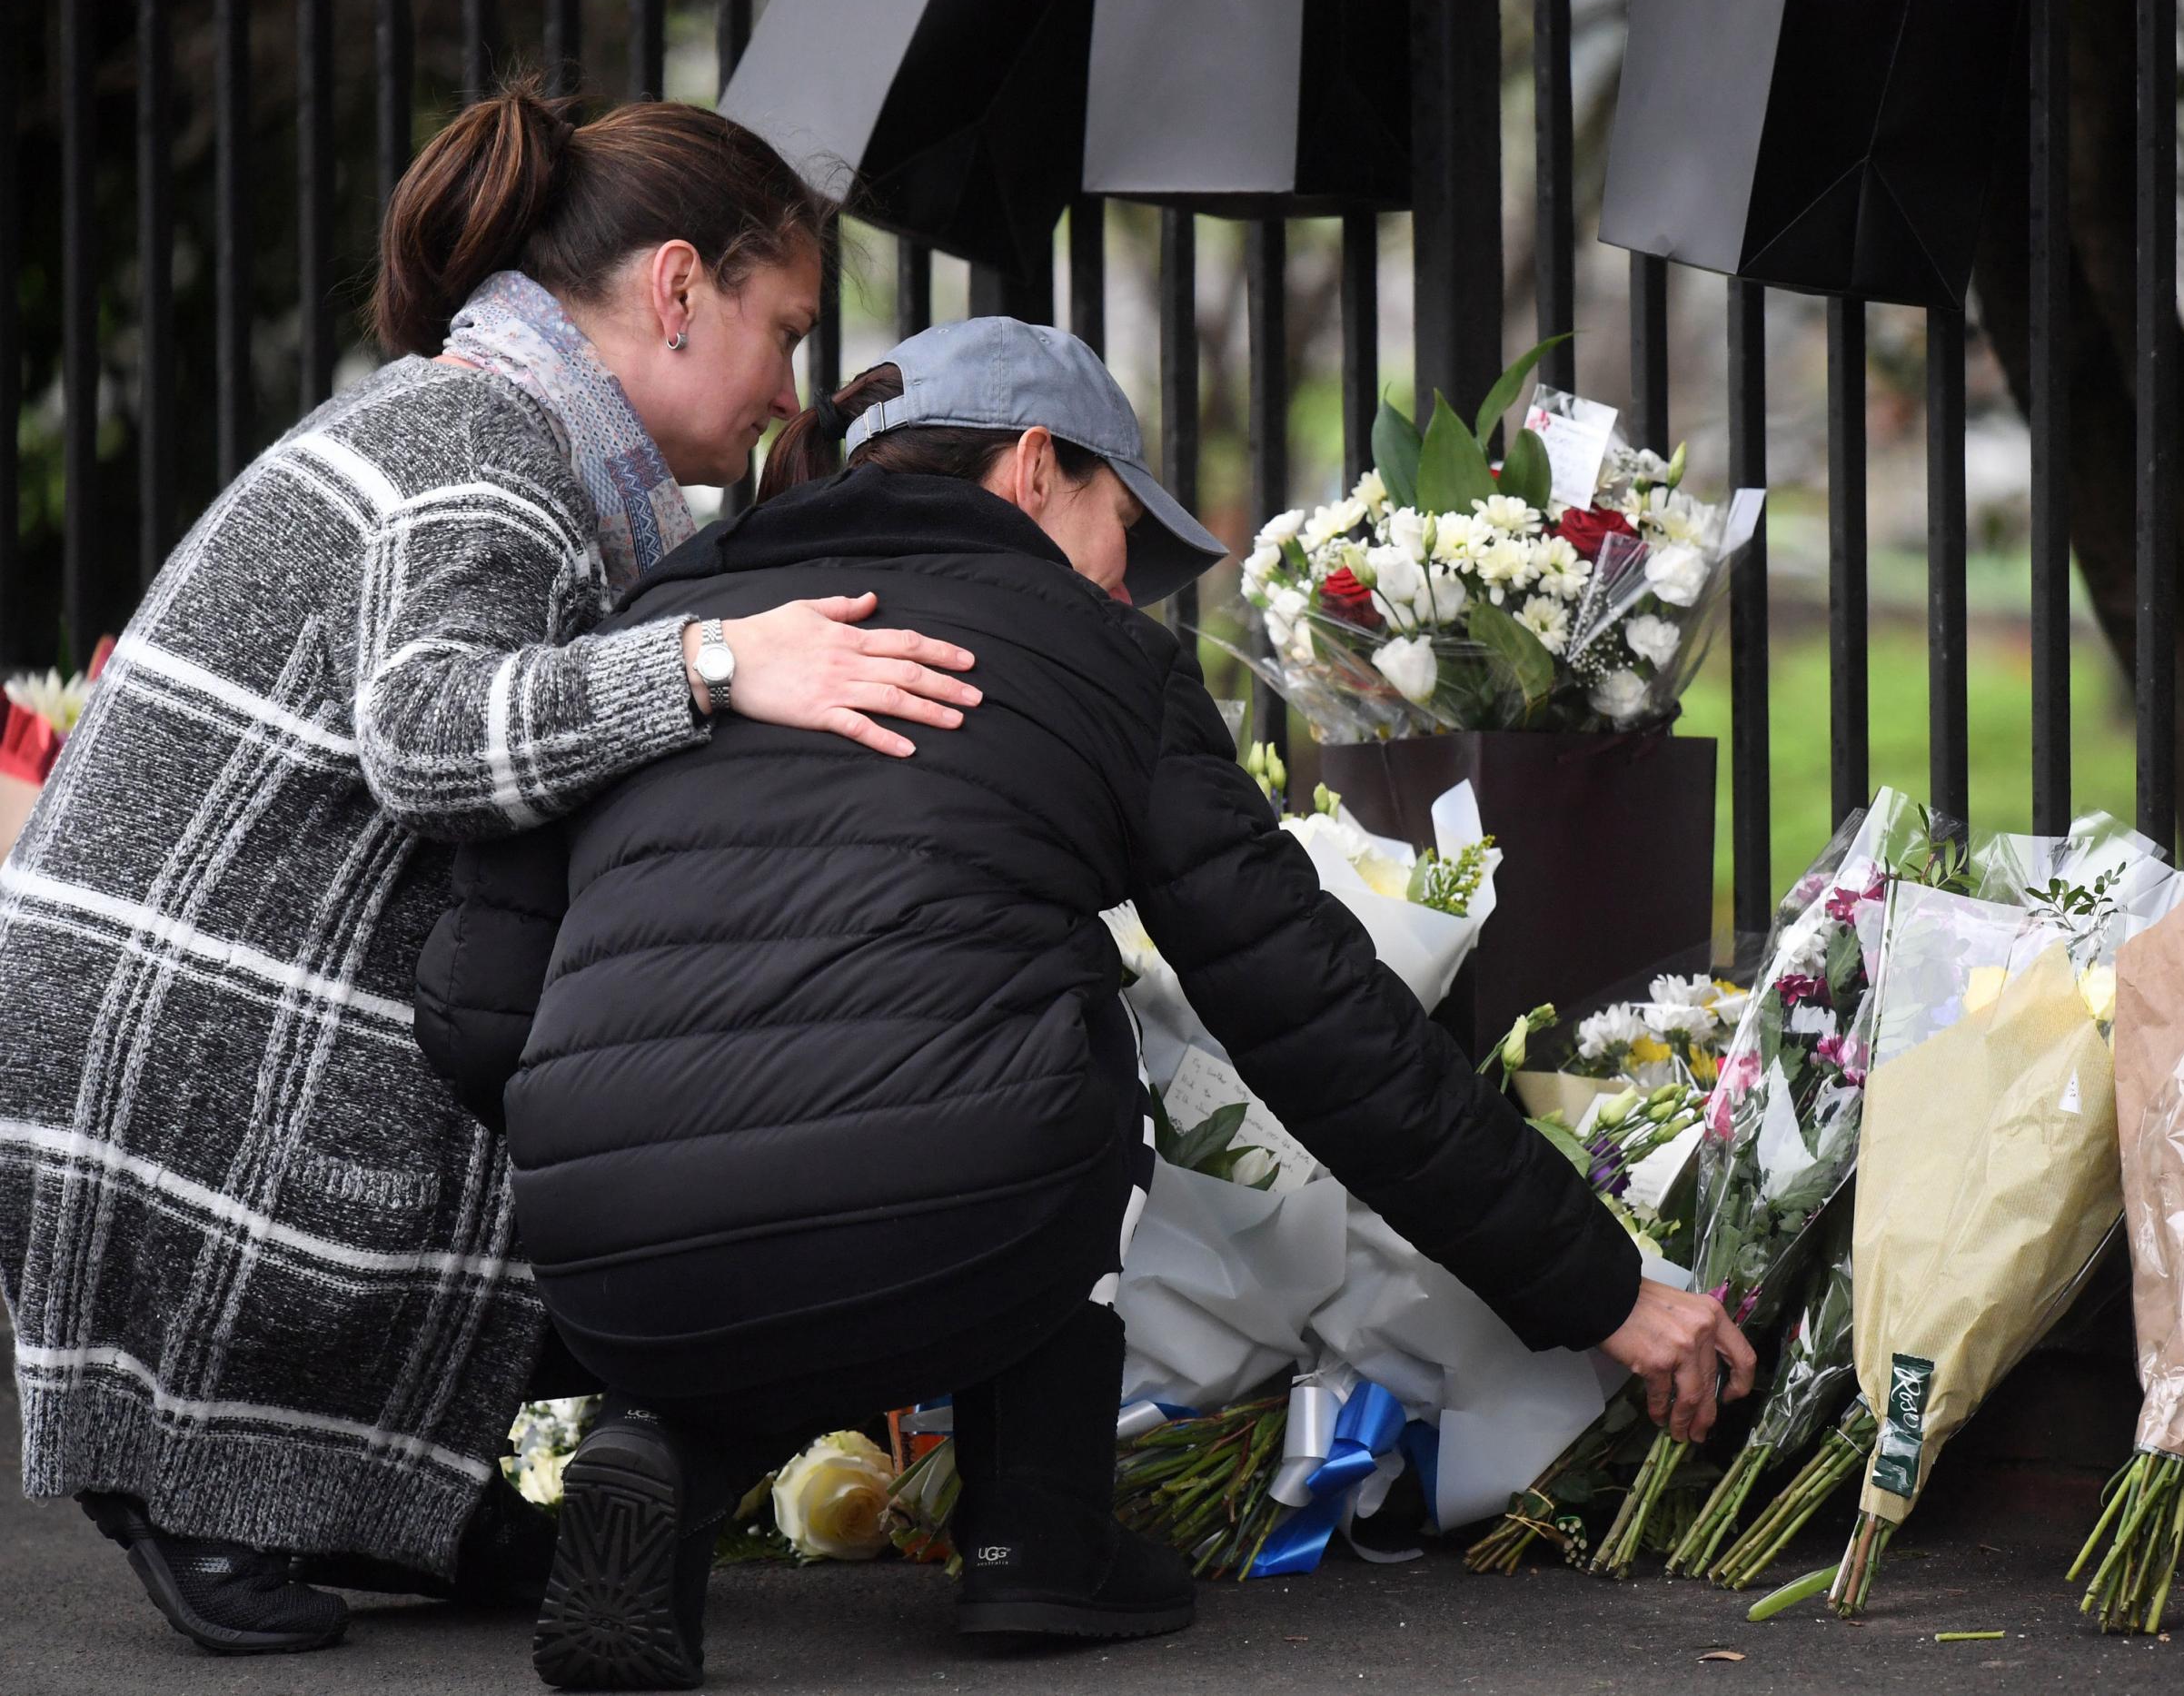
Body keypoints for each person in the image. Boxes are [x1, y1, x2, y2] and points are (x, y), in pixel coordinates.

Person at [422, 317, 1757, 1692]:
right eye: (1125, 524)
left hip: (607, 1258)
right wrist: (1605, 1290)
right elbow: (1321, 1025)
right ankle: (1037, 1547)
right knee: (1054, 1035)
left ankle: (669, 1443)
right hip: (954, 1207)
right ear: (1036, 468)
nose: (1131, 582)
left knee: (819, 1123)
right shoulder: (1101, 663)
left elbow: (474, 1020)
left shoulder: (652, 636)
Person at [0, 82, 984, 1658]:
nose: (787, 389)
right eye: (785, 329)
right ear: (678, 289)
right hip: (171, 1053)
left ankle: (391, 1492)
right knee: (616, 1162)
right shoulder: (487, 441)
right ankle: (206, 1483)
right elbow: (433, 738)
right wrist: (722, 658)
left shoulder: (496, 422)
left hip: (173, 1015)